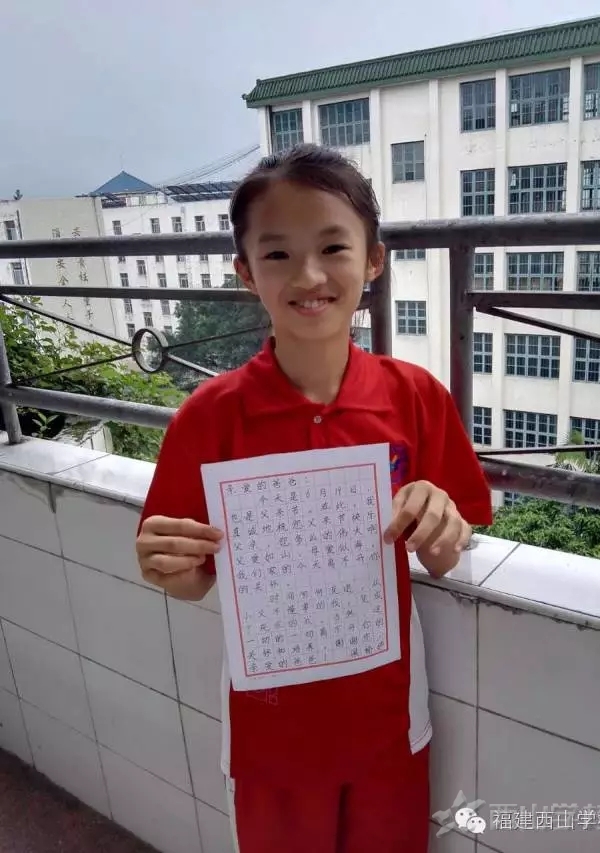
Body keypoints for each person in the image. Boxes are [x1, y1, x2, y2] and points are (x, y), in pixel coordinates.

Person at [136, 143, 492, 853]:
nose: (308, 276)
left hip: (388, 721)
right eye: (277, 254)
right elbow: (192, 577)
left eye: (333, 247)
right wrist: (167, 566)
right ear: (245, 271)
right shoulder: (207, 419)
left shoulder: (415, 398)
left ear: (374, 260)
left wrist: (443, 523)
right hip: (270, 737)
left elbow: (447, 556)